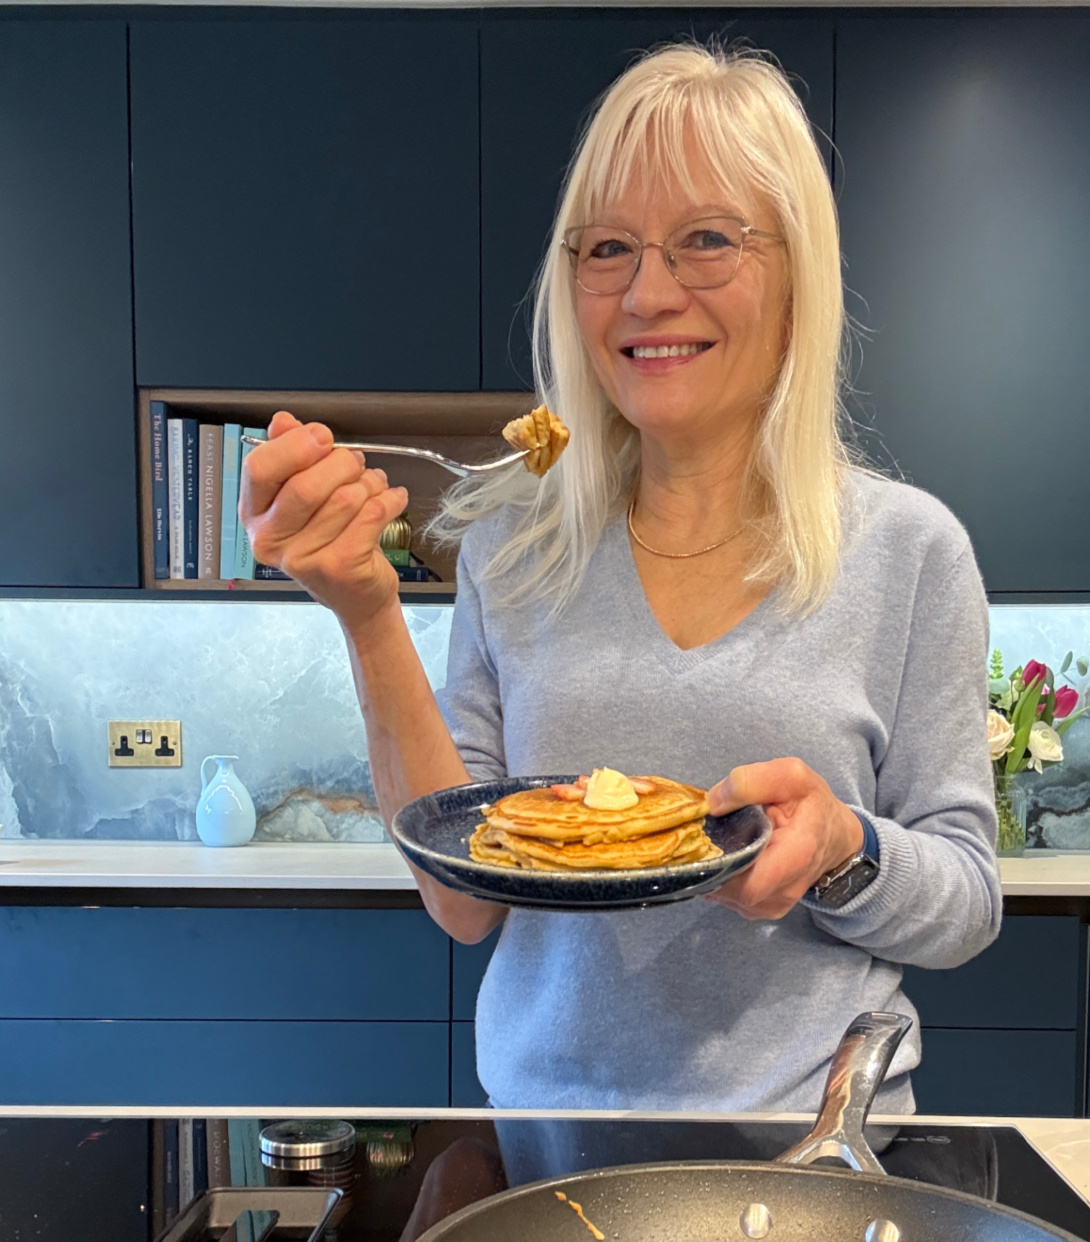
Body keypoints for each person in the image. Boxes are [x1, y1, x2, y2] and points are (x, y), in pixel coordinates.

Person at [241, 43, 1001, 1142]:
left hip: (813, 1156)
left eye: (705, 238)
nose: (648, 293)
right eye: (607, 247)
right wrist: (366, 611)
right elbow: (463, 898)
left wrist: (844, 845)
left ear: (799, 270)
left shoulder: (909, 552)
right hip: (549, 1143)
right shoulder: (513, 547)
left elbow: (967, 899)